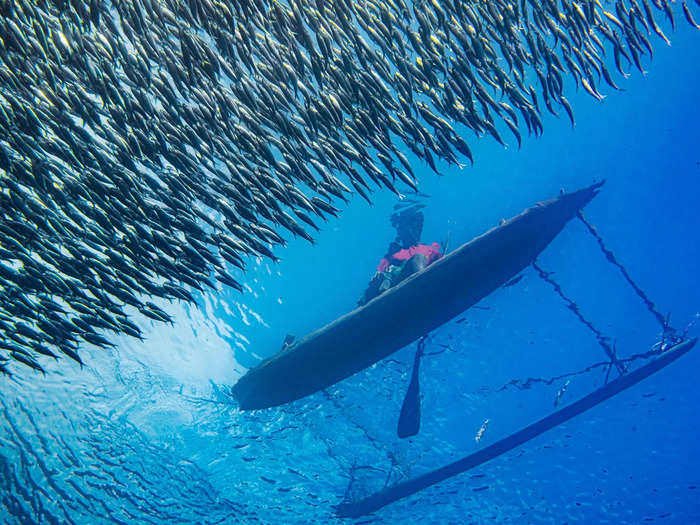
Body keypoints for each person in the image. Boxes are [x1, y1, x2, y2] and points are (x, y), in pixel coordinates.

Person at [358, 205, 442, 306]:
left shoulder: (430, 250)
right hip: (395, 293)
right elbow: (378, 279)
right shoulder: (393, 254)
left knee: (418, 258)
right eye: (409, 225)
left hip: (420, 287)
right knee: (417, 258)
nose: (414, 229)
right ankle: (422, 295)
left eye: (417, 225)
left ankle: (423, 294)